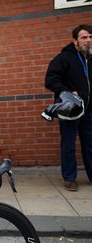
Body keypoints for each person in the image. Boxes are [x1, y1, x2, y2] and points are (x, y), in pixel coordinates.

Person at [44, 24, 92, 192]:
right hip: (70, 109)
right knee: (69, 145)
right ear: (75, 41)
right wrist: (67, 91)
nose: (88, 40)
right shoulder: (64, 58)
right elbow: (50, 80)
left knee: (90, 144)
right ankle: (70, 178)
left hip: (89, 110)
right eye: (84, 37)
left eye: (90, 37)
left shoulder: (90, 58)